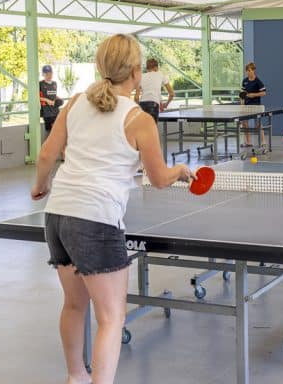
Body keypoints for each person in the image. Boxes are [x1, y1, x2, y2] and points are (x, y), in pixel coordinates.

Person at [30, 34, 194, 384]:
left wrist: (39, 186)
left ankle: (75, 377)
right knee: (111, 318)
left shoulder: (74, 103)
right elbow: (160, 179)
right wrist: (181, 171)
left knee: (74, 305)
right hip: (95, 221)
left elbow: (47, 155)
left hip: (58, 215)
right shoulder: (139, 120)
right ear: (136, 71)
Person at [137, 58, 174, 124]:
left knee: (143, 131)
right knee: (152, 131)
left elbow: (136, 97)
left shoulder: (141, 77)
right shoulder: (161, 74)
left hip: (142, 105)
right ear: (156, 67)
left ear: (147, 68)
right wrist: (166, 104)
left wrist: (138, 107)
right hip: (153, 105)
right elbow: (171, 94)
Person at [239, 62, 266, 147]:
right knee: (244, 123)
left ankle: (263, 142)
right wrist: (242, 103)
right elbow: (242, 94)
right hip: (246, 106)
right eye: (247, 70)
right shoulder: (245, 81)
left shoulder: (257, 81)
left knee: (258, 124)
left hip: (256, 106)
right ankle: (248, 141)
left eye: (249, 70)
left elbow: (264, 93)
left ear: (254, 70)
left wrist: (253, 94)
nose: (248, 72)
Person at [39, 64, 63, 134]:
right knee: (50, 133)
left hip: (56, 111)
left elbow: (54, 95)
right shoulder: (40, 84)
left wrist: (59, 99)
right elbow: (37, 97)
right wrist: (47, 100)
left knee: (58, 131)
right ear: (43, 74)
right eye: (46, 74)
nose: (49, 75)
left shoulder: (54, 83)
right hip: (47, 112)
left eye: (50, 73)